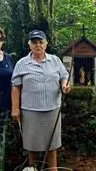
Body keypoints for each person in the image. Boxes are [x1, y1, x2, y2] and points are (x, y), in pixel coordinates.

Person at [11, 30, 70, 170]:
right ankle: (33, 168)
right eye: (34, 42)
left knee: (52, 145)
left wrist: (64, 86)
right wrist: (15, 108)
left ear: (46, 44)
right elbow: (15, 87)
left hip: (52, 109)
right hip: (30, 110)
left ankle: (52, 169)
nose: (38, 45)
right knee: (32, 145)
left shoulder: (55, 60)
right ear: (29, 44)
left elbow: (64, 76)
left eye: (41, 42)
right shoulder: (22, 63)